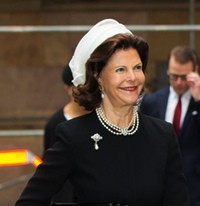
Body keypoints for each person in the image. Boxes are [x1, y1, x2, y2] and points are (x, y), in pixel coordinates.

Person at [16, 19, 189, 205]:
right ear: (99, 77)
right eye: (120, 69)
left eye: (137, 68)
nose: (132, 77)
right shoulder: (74, 136)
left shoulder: (163, 136)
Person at [140, 45, 200, 206]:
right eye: (174, 76)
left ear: (195, 71)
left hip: (198, 186)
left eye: (184, 77)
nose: (179, 82)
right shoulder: (152, 102)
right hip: (161, 184)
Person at [42, 65, 90, 203]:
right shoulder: (56, 123)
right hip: (65, 195)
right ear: (67, 88)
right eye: (77, 87)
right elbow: (49, 164)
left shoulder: (100, 118)